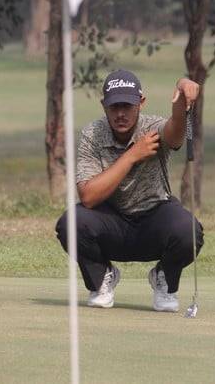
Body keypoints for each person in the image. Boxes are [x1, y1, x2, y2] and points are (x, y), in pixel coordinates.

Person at [55, 69, 204, 313]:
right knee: (71, 223)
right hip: (110, 222)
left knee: (188, 231)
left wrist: (180, 89)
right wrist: (132, 156)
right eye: (114, 107)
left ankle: (163, 278)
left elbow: (176, 131)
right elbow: (89, 197)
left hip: (154, 218)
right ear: (104, 105)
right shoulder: (92, 134)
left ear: (141, 103)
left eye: (127, 105)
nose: (121, 113)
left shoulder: (152, 128)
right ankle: (103, 276)